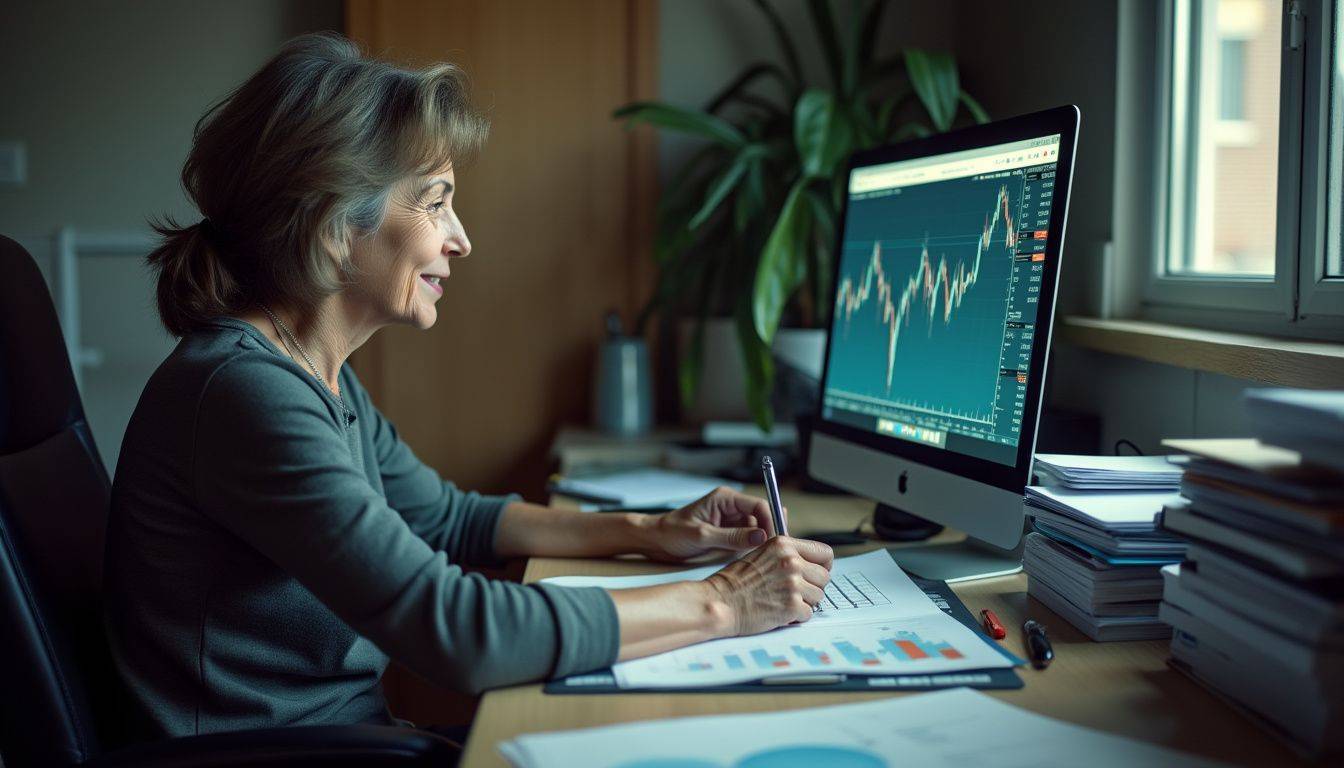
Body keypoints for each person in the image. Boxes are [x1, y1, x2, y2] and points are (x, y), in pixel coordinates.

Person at [103, 32, 833, 740]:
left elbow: (448, 520)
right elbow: (453, 631)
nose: (461, 237)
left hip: (344, 736)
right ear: (332, 222)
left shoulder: (312, 373)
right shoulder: (245, 394)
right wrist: (724, 602)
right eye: (435, 201)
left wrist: (655, 532)